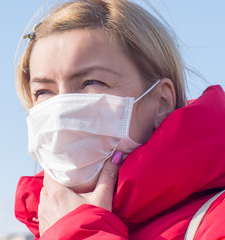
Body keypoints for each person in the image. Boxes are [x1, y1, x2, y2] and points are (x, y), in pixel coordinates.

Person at [14, 0, 225, 239]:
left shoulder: (217, 220)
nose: (61, 110)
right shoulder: (44, 227)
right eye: (43, 91)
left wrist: (81, 232)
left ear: (162, 101)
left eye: (92, 82)